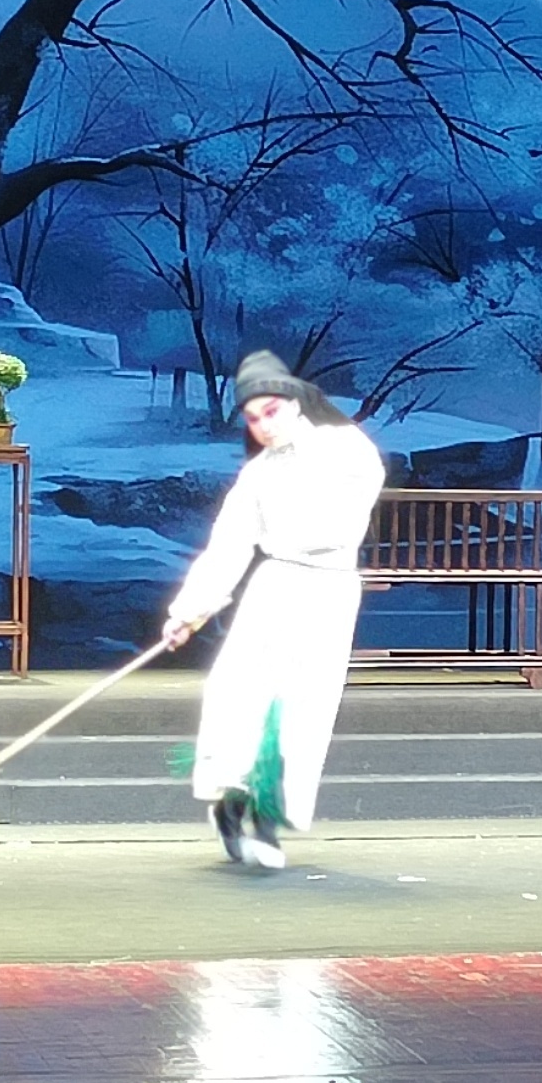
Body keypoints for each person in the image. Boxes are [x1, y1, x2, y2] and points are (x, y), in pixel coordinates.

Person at [163, 352, 389, 870]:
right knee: (240, 696)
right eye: (253, 418)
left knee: (300, 709)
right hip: (275, 587)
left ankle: (268, 818)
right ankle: (229, 802)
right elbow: (228, 547)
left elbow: (337, 518)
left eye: (271, 411)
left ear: (295, 403)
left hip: (329, 589)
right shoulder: (257, 474)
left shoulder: (346, 448)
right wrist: (189, 612)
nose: (263, 425)